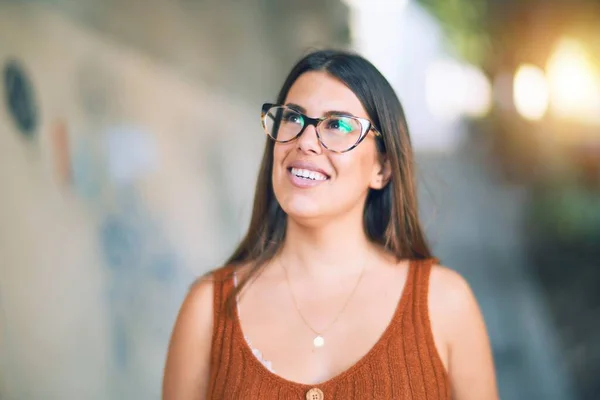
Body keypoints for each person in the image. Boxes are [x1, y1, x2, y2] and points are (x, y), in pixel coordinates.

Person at [162, 49, 498, 399]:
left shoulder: (444, 304)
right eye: (293, 118)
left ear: (382, 168)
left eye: (337, 125)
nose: (305, 141)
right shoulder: (207, 310)